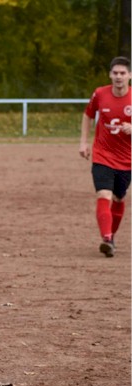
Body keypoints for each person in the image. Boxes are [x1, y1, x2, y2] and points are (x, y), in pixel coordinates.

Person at [79, 56, 131, 258]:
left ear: (130, 75)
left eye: (122, 73)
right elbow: (88, 115)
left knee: (119, 198)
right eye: (115, 73)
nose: (118, 77)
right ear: (110, 74)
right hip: (102, 155)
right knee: (104, 195)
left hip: (127, 159)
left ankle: (111, 237)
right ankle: (107, 238)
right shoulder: (100, 94)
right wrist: (84, 142)